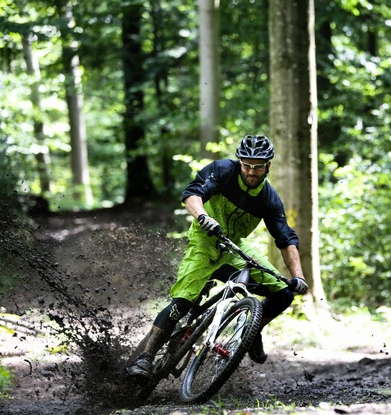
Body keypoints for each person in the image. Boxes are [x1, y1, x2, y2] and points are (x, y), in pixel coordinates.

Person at [128, 135, 309, 378]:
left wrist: (298, 277)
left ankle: (252, 330)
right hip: (203, 244)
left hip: (234, 249)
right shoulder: (222, 171)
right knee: (181, 303)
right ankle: (145, 359)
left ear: (268, 166)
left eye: (258, 166)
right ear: (239, 162)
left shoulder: (269, 199)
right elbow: (192, 194)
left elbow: (285, 239)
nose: (251, 172)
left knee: (283, 293)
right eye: (246, 165)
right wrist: (203, 216)